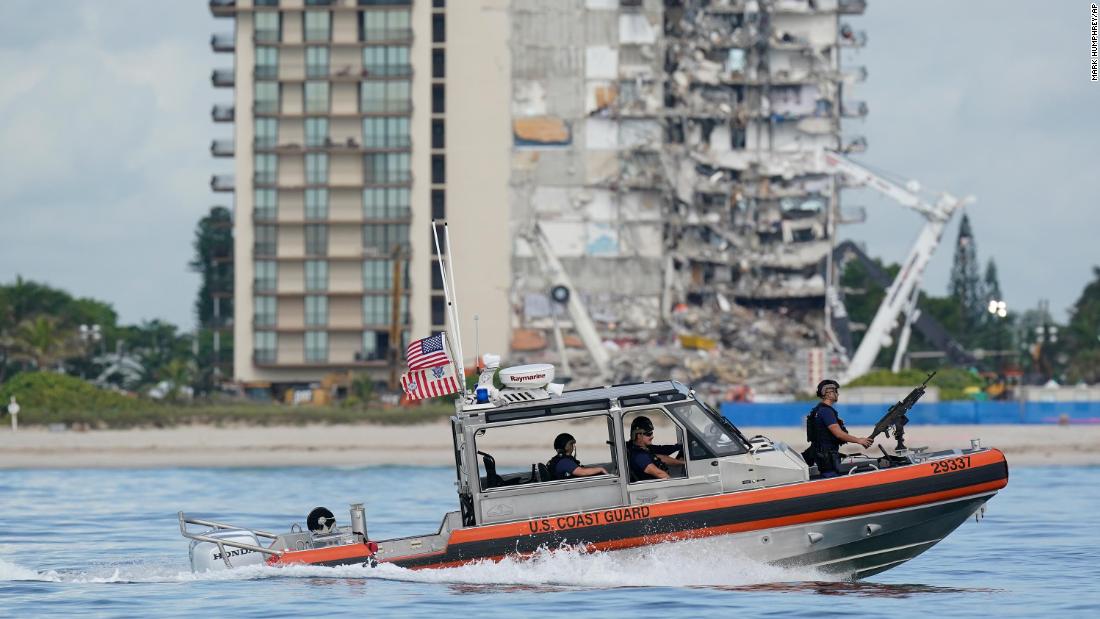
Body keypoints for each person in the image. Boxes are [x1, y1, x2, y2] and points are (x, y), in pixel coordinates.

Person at [803, 379, 872, 478]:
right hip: (826, 457)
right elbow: (838, 434)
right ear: (828, 393)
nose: (838, 394)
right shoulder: (826, 411)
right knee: (830, 478)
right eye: (836, 391)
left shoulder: (819, 410)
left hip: (820, 453)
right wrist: (859, 440)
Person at [627, 416, 684, 480]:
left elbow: (662, 452)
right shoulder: (639, 456)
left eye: (652, 433)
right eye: (649, 434)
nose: (652, 436)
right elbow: (660, 474)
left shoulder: (644, 448)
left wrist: (680, 448)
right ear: (639, 436)